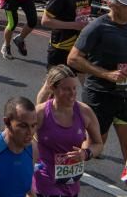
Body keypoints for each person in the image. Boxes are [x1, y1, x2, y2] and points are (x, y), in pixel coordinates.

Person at [68, 0, 127, 177]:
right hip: (100, 94)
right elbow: (73, 59)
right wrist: (105, 74)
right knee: (93, 145)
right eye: (124, 4)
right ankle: (67, 176)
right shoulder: (97, 27)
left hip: (124, 95)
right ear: (110, 4)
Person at [32, 65, 102, 197]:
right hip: (44, 179)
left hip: (71, 183)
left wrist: (85, 154)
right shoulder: (40, 113)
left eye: (74, 88)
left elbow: (98, 144)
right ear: (53, 88)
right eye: (66, 89)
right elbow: (19, 141)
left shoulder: (85, 112)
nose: (73, 93)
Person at [37, 0, 95, 101]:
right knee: (51, 85)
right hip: (61, 46)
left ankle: (86, 114)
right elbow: (45, 21)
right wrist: (74, 25)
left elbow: (83, 14)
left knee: (83, 81)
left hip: (79, 46)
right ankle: (38, 117)